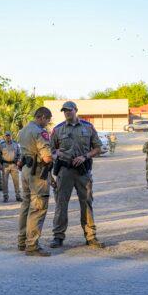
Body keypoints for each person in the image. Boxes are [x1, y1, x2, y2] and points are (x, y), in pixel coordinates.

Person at [49, 101, 104, 249]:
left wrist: (85, 156)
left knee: (86, 203)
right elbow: (50, 150)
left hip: (82, 171)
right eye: (64, 111)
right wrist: (56, 153)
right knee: (61, 203)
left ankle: (91, 236)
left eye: (69, 110)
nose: (67, 113)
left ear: (76, 110)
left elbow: (98, 148)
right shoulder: (58, 129)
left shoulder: (88, 127)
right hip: (64, 171)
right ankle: (58, 237)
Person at [18, 107, 54, 256]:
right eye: (47, 120)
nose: (47, 123)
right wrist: (55, 157)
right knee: (38, 207)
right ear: (42, 117)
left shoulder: (23, 130)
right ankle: (32, 245)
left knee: (26, 205)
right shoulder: (40, 132)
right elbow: (46, 157)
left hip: (26, 170)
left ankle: (22, 241)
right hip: (37, 172)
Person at [0, 131, 22, 202]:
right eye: (6, 136)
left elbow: (19, 154)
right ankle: (5, 196)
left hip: (14, 165)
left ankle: (18, 196)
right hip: (5, 165)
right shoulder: (1, 145)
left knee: (16, 181)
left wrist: (19, 161)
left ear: (11, 136)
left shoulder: (15, 144)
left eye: (9, 135)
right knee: (5, 182)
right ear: (4, 136)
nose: (8, 137)